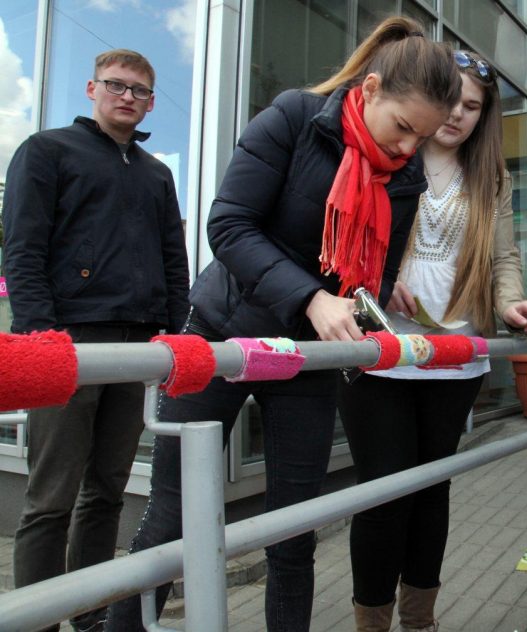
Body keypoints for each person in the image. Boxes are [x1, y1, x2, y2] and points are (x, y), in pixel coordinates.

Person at [105, 18, 461, 632]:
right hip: (221, 332)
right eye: (402, 128)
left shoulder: (404, 177)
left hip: (308, 360)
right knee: (169, 517)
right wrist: (311, 299)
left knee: (293, 530)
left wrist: (367, 304)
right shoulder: (294, 118)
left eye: (421, 139)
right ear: (371, 88)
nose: (406, 150)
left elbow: (365, 278)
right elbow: (230, 226)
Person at [336, 50, 527, 632]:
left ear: (484, 116)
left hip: (454, 357)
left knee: (431, 491)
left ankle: (420, 621)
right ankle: (371, 623)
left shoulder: (493, 180)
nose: (457, 114)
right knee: (383, 495)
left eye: (472, 106)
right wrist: (380, 282)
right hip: (379, 350)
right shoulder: (388, 156)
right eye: (450, 99)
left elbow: (503, 257)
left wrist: (511, 304)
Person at [1, 49, 190, 632]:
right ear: (91, 89)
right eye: (117, 85)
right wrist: (40, 339)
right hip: (68, 346)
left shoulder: (157, 173)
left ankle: (90, 616)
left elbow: (173, 260)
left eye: (140, 90)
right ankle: (36, 621)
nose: (127, 96)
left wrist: (171, 330)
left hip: (135, 349)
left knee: (107, 490)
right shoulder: (47, 151)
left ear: (151, 101)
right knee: (50, 497)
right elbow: (23, 249)